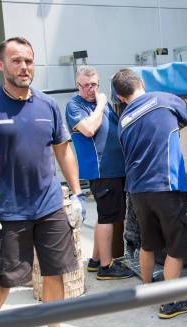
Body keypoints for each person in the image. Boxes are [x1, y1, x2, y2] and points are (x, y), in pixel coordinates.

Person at [0, 37, 86, 327]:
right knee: (5, 278)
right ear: (1, 65)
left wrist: (76, 193)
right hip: (7, 211)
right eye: (16, 61)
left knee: (55, 273)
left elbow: (64, 149)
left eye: (29, 61)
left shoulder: (47, 105)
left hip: (48, 205)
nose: (24, 67)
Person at [111, 68, 187, 319]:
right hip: (166, 186)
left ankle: (147, 291)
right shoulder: (166, 99)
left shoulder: (123, 121)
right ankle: (171, 303)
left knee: (148, 243)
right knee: (178, 244)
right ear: (141, 83)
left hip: (138, 191)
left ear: (120, 97)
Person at [65, 66, 133, 280]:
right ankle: (106, 266)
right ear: (78, 86)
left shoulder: (101, 105)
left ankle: (95, 260)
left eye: (93, 85)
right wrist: (102, 103)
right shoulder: (75, 105)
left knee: (107, 215)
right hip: (102, 170)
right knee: (107, 217)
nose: (90, 90)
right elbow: (88, 129)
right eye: (85, 86)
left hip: (115, 170)